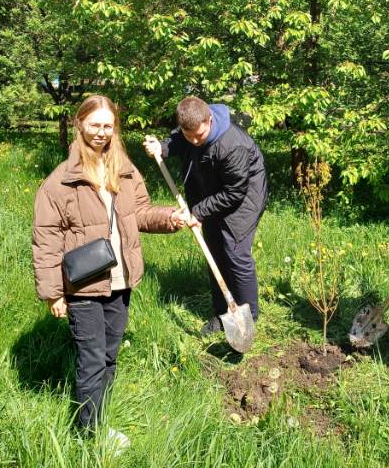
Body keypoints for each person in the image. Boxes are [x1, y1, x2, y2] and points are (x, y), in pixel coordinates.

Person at [32, 95, 190, 443]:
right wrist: (53, 293)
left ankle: (98, 421)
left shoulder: (125, 169)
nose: (101, 133)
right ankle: (88, 436)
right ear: (80, 125)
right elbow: (46, 239)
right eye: (95, 125)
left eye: (108, 126)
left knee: (109, 356)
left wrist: (171, 217)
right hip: (84, 286)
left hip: (121, 281)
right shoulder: (60, 181)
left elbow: (142, 213)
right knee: (91, 360)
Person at [143, 96, 267, 336]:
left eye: (200, 135)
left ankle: (248, 316)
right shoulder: (190, 131)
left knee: (235, 252)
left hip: (243, 198)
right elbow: (179, 140)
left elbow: (234, 192)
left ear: (209, 119)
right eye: (190, 135)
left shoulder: (232, 145)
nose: (196, 140)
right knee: (214, 250)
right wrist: (163, 147)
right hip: (210, 193)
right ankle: (223, 313)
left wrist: (197, 211)